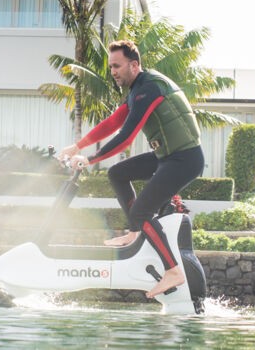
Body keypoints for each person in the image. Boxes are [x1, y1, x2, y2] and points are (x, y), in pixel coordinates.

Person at [58, 40, 204, 298]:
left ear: (134, 65)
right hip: (167, 156)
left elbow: (126, 137)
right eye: (110, 66)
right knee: (118, 173)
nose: (113, 71)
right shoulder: (138, 90)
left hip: (184, 159)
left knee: (141, 211)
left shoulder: (148, 89)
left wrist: (89, 159)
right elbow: (113, 122)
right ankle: (136, 232)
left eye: (117, 66)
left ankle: (173, 271)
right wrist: (76, 146)